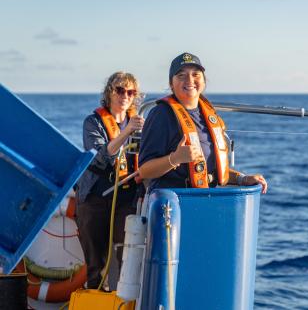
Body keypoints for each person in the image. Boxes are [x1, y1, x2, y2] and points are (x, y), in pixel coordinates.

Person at [138, 52, 268, 193]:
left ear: (204, 81)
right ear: (171, 84)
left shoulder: (208, 114)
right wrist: (175, 159)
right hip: (172, 201)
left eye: (196, 74)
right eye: (181, 75)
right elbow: (145, 171)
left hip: (205, 199)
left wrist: (242, 179)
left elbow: (211, 171)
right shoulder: (161, 114)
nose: (189, 80)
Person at [75, 71, 145, 289]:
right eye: (120, 90)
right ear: (109, 93)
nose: (125, 95)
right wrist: (126, 134)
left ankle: (122, 299)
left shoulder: (140, 125)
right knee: (96, 260)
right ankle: (96, 295)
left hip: (126, 196)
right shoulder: (93, 122)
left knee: (126, 250)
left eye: (130, 92)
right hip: (95, 195)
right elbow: (100, 157)